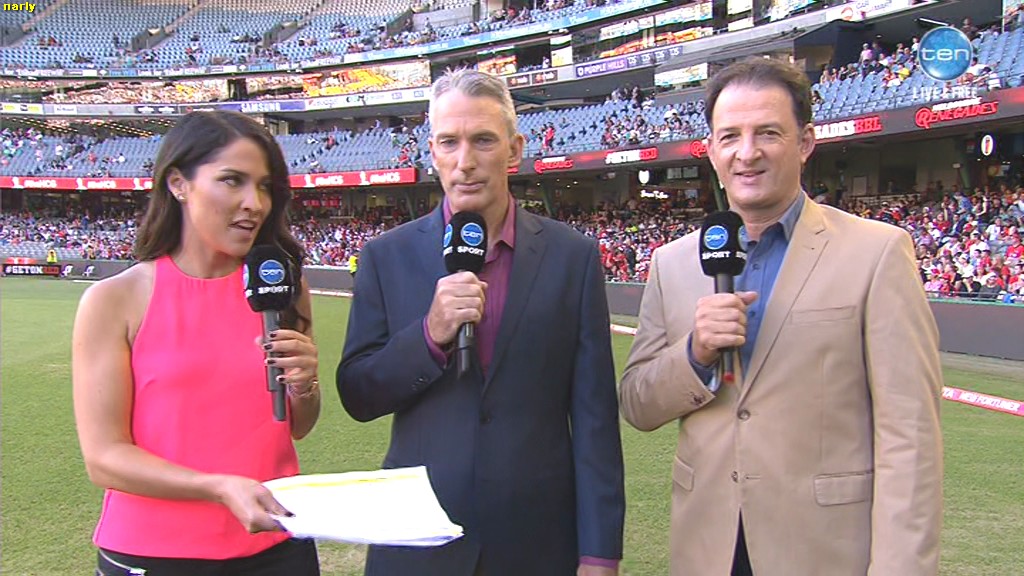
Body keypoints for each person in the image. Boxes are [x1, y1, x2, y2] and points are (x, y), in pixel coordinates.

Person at [618, 58, 943, 576]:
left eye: (768, 133)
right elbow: (638, 403)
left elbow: (911, 436)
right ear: (711, 149)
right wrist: (696, 353)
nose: (747, 153)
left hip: (823, 552)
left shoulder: (877, 252)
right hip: (708, 549)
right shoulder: (672, 262)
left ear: (806, 142)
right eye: (730, 136)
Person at [336, 68, 625, 576]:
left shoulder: (572, 257)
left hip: (536, 542)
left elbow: (595, 417)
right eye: (450, 142)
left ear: (514, 150)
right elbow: (359, 395)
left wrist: (600, 553)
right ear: (433, 152)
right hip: (418, 539)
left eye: (483, 141)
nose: (465, 161)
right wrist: (429, 335)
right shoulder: (385, 256)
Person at [72, 111, 322, 576]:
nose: (254, 203)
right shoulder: (114, 300)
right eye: (232, 180)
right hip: (154, 553)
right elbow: (104, 458)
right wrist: (217, 487)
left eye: (264, 186)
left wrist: (305, 385)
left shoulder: (283, 286)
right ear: (178, 183)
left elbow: (297, 427)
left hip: (276, 543)